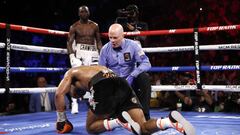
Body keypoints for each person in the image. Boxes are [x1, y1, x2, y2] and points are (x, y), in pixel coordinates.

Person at [55, 65, 195, 135]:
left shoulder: (71, 73)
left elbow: (58, 95)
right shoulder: (93, 69)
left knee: (91, 128)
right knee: (142, 128)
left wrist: (61, 120)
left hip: (102, 83)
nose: (76, 96)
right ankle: (169, 122)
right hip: (120, 82)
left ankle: (118, 121)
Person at [99, 23, 151, 120]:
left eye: (115, 38)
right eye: (110, 38)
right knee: (101, 81)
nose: (112, 41)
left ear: (123, 35)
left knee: (144, 77)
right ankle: (111, 112)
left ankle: (145, 115)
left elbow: (146, 63)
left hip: (131, 82)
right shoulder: (105, 49)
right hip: (115, 83)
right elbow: (101, 69)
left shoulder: (133, 46)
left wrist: (132, 75)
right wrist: (111, 79)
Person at [66, 5, 103, 114]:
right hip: (80, 53)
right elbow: (69, 43)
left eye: (85, 12)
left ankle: (93, 101)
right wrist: (72, 57)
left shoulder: (95, 26)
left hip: (92, 53)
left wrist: (101, 54)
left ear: (89, 13)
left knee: (95, 78)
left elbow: (99, 41)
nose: (84, 14)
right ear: (79, 13)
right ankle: (74, 102)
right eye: (81, 12)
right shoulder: (74, 26)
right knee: (75, 78)